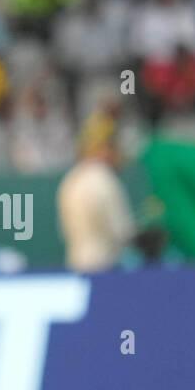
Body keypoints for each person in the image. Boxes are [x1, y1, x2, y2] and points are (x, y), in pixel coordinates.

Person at [56, 111, 135, 272]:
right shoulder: (104, 178)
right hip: (105, 269)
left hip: (76, 265)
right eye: (113, 147)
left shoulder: (70, 180)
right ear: (104, 148)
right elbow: (122, 231)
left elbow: (63, 232)